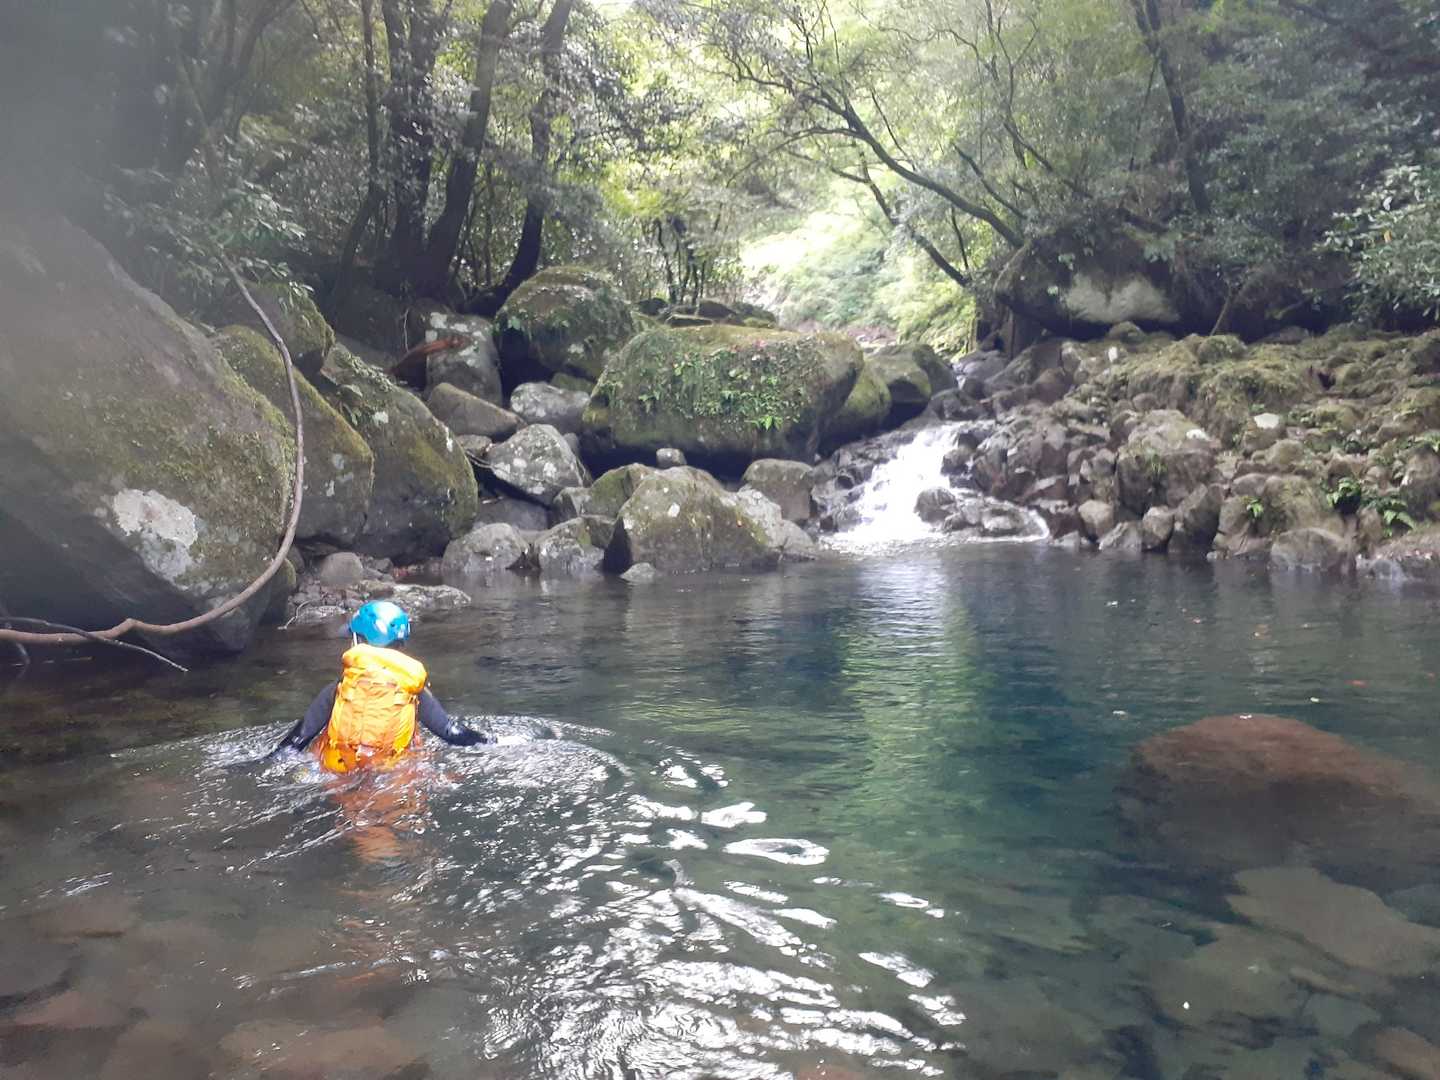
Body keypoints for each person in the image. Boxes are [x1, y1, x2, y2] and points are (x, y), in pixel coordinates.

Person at [269, 600, 490, 772]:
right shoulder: (413, 689)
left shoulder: (341, 687)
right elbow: (451, 733)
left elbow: (295, 743)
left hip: (339, 776)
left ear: (359, 641)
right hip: (392, 777)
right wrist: (491, 742)